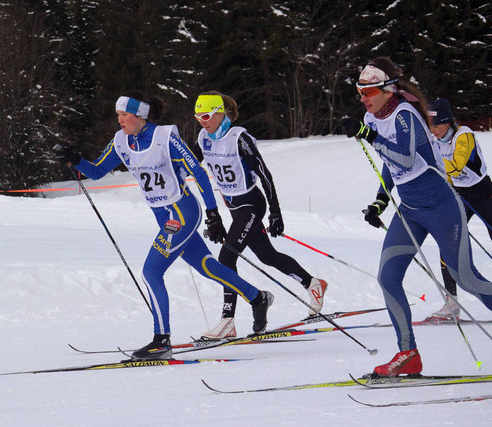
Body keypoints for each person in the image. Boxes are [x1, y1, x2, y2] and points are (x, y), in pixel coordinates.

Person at [54, 90, 273, 360]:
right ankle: (257, 297)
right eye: (118, 115)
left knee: (151, 271)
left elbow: (200, 174)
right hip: (163, 214)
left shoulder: (164, 138)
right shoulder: (121, 141)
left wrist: (213, 214)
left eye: (125, 114)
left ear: (140, 115)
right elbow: (97, 171)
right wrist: (75, 159)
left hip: (181, 212)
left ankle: (161, 340)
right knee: (206, 267)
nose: (120, 120)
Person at [341, 57, 492, 376]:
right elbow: (389, 164)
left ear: (387, 90)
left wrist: (368, 136)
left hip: (441, 207)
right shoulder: (377, 117)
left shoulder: (405, 114)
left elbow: (406, 158)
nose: (363, 97)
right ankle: (408, 353)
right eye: (360, 91)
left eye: (368, 91)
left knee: (465, 277)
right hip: (410, 209)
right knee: (388, 277)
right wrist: (381, 201)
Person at [190, 91, 328, 340]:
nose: (202, 121)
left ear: (221, 114)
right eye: (198, 116)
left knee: (225, 259)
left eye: (207, 115)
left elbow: (265, 175)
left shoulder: (238, 138)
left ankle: (227, 320)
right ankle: (312, 284)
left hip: (251, 204)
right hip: (233, 207)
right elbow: (190, 165)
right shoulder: (203, 138)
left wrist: (276, 212)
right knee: (267, 256)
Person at [428, 97, 492, 320]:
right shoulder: (434, 138)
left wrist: (433, 168)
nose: (432, 130)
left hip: (482, 193)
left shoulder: (463, 135)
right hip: (458, 195)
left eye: (435, 125)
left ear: (447, 121)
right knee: (447, 243)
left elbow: (456, 165)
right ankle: (451, 303)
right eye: (430, 125)